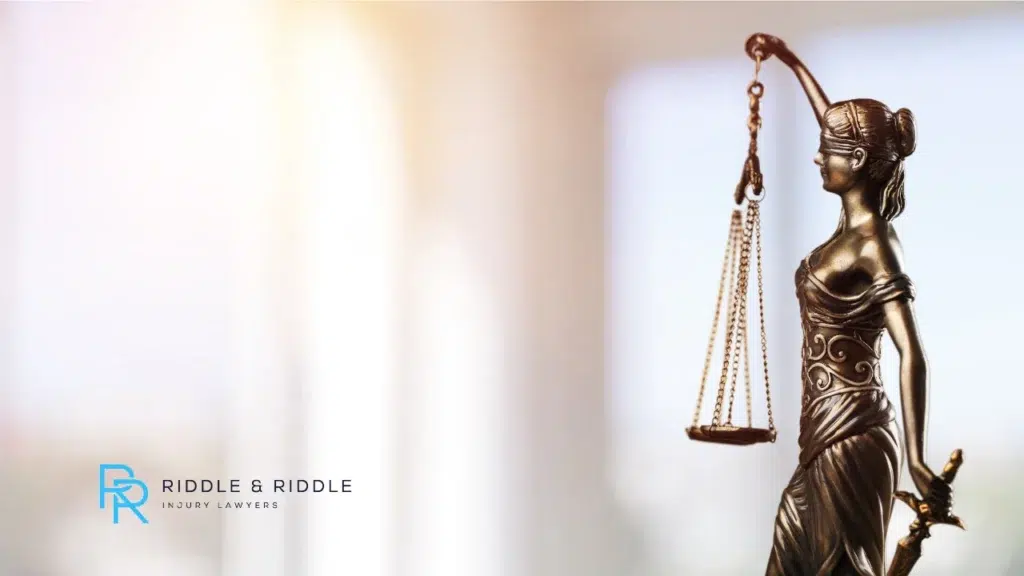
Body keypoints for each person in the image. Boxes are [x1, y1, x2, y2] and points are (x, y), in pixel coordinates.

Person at [747, 35, 955, 576]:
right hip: (818, 433)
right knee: (790, 557)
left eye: (829, 149)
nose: (818, 155)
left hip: (855, 432)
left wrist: (915, 457)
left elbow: (912, 352)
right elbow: (833, 120)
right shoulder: (848, 232)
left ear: (858, 159)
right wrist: (789, 60)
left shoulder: (875, 244)